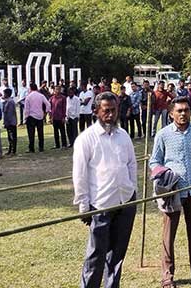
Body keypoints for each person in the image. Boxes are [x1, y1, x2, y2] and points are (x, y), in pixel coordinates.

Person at [149, 96, 191, 287]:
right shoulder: (163, 135)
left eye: (186, 110)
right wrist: (165, 176)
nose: (183, 114)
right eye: (179, 111)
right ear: (171, 114)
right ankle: (167, 276)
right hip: (173, 191)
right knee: (169, 234)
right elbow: (154, 161)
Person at [73, 91, 137, 288]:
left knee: (117, 255)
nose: (110, 115)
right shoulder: (86, 139)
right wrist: (84, 206)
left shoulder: (123, 135)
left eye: (114, 110)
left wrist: (132, 191)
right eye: (106, 111)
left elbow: (132, 165)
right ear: (96, 112)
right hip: (100, 205)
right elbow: (80, 175)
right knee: (95, 256)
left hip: (125, 201)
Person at [24, 83, 51, 153]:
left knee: (31, 134)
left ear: (30, 88)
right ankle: (41, 147)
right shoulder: (41, 96)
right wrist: (46, 112)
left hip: (31, 116)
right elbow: (48, 104)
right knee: (40, 133)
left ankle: (31, 148)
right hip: (40, 116)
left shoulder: (28, 97)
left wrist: (25, 117)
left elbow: (26, 109)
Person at [50, 85, 68, 149]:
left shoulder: (63, 98)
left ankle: (64, 145)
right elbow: (50, 108)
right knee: (55, 132)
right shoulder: (52, 98)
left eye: (58, 89)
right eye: (56, 89)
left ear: (60, 90)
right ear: (54, 90)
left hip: (60, 117)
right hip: (54, 117)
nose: (57, 91)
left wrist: (64, 117)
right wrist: (51, 117)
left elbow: (64, 108)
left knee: (62, 131)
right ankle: (57, 145)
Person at [2, 88, 17, 157]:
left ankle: (13, 151)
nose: (3, 95)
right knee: (9, 137)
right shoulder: (7, 101)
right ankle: (10, 150)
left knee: (12, 137)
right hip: (8, 122)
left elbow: (10, 113)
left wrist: (8, 123)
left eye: (4, 93)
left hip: (11, 122)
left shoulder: (10, 102)